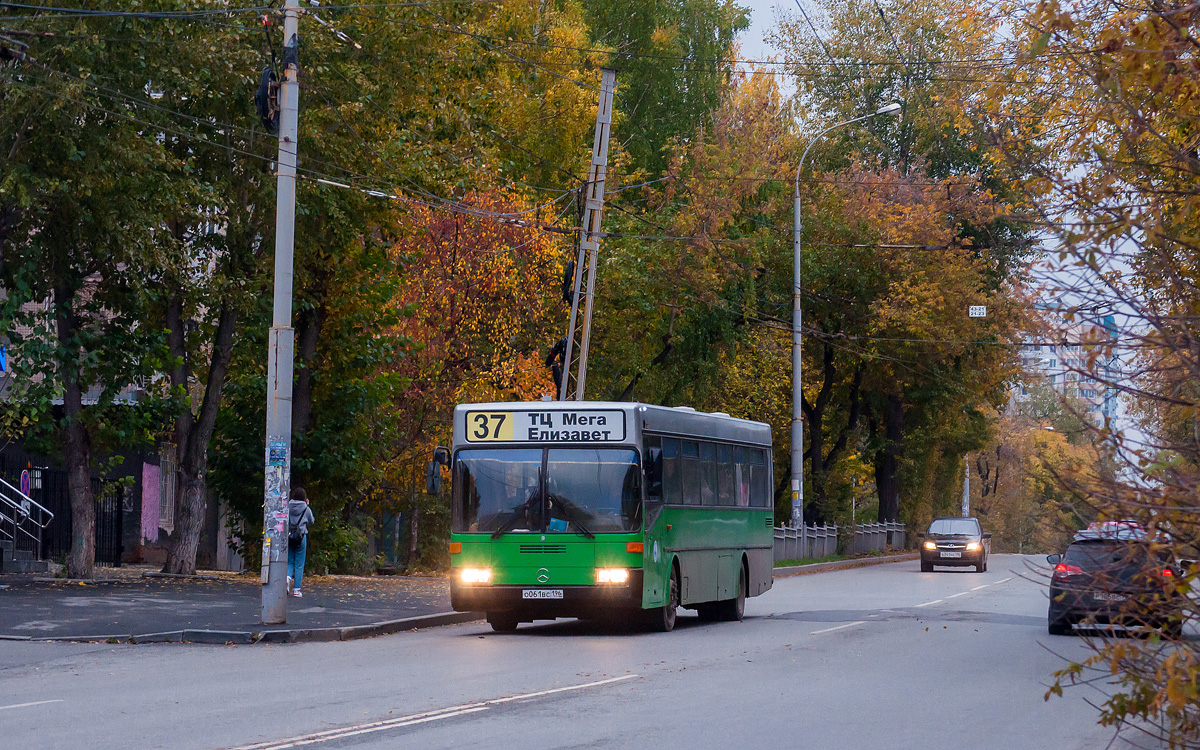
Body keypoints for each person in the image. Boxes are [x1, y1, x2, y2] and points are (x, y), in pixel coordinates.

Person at [287, 487, 314, 598]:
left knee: (289, 561)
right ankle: (296, 590)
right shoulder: (305, 508)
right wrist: (307, 506)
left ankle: (287, 579)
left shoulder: (287, 506)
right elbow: (311, 521)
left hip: (289, 536)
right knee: (299, 564)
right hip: (301, 537)